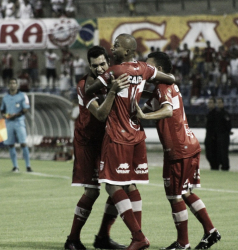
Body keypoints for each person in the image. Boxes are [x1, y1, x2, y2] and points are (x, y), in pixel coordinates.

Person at [85, 34, 176, 250]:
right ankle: (129, 238)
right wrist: (148, 84)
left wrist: (109, 86)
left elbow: (88, 89)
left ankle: (138, 237)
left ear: (126, 51)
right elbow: (170, 79)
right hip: (137, 135)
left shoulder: (115, 72)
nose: (112, 48)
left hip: (118, 136)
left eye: (116, 46)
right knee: (131, 185)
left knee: (111, 186)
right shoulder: (145, 69)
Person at [135, 51, 221, 250]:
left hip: (179, 149)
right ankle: (211, 232)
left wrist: (143, 116)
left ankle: (183, 243)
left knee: (175, 195)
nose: (146, 71)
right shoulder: (163, 87)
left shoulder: (163, 86)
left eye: (150, 67)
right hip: (186, 145)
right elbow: (145, 108)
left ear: (160, 70)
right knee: (185, 192)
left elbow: (167, 111)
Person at [65, 46, 129, 250]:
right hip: (88, 143)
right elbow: (100, 114)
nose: (100, 68)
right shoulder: (85, 85)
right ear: (88, 66)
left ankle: (103, 236)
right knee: (92, 192)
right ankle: (72, 240)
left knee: (119, 186)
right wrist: (112, 91)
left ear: (108, 61)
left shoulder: (113, 78)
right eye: (95, 66)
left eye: (103, 64)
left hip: (107, 141)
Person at [0, 78, 32, 172]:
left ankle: (28, 166)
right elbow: (2, 109)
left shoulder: (23, 96)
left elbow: (26, 109)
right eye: (11, 83)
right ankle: (15, 166)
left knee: (23, 143)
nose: (12, 85)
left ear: (17, 85)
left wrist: (15, 115)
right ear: (8, 85)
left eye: (14, 83)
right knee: (10, 144)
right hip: (8, 123)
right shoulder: (5, 97)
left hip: (19, 121)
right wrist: (4, 115)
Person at [214, 97, 232, 171]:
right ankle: (219, 165)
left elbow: (228, 124)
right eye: (217, 103)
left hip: (224, 135)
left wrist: (228, 131)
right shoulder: (216, 114)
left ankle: (225, 166)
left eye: (220, 102)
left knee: (224, 152)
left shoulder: (225, 113)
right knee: (218, 152)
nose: (219, 104)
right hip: (218, 135)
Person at [204, 97, 218, 170]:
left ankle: (214, 167)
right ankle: (213, 166)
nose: (209, 104)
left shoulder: (216, 114)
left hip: (213, 137)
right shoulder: (208, 113)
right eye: (209, 102)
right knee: (208, 153)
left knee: (212, 153)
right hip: (208, 135)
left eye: (211, 102)